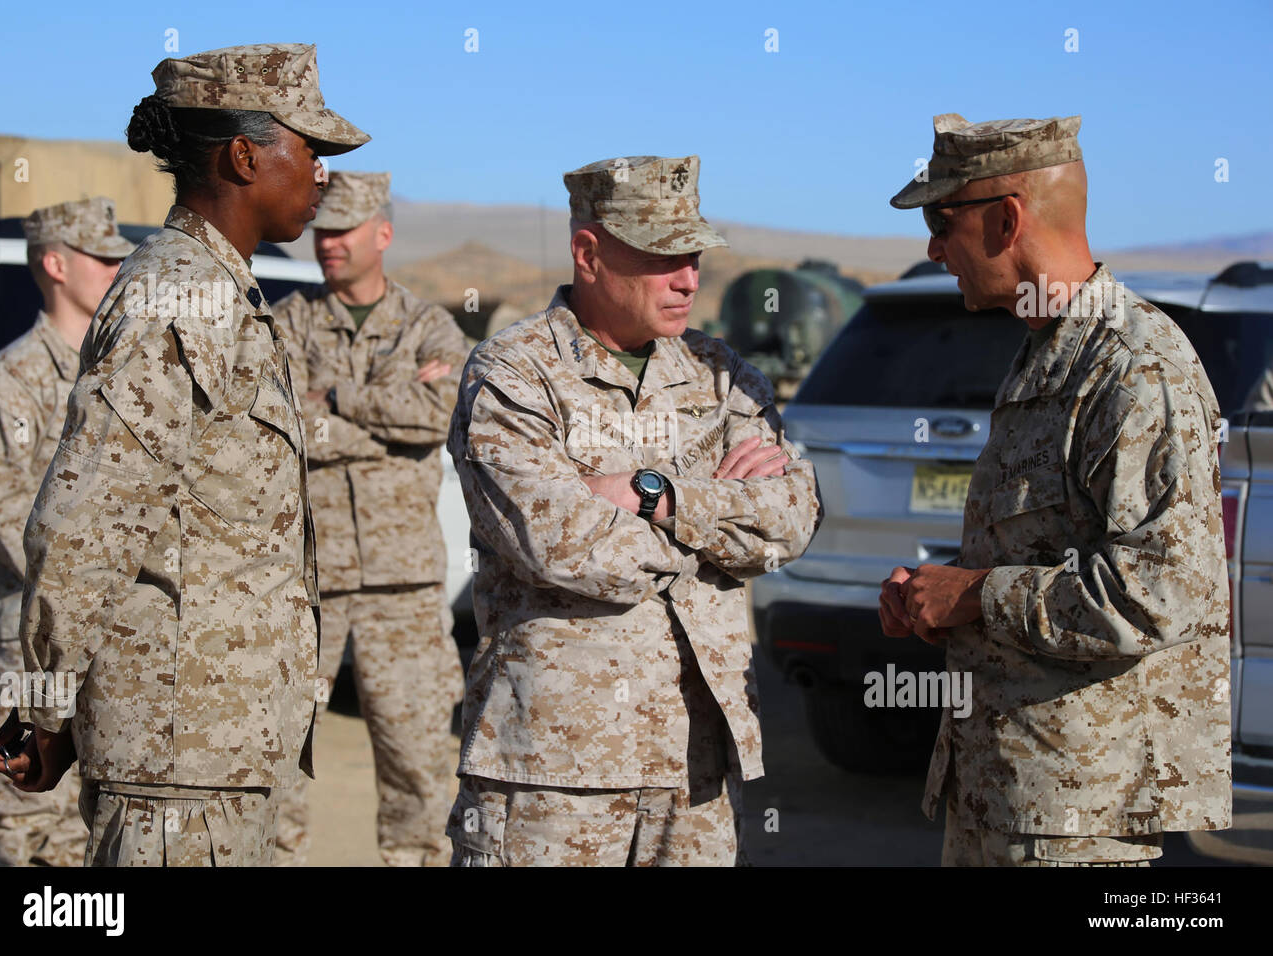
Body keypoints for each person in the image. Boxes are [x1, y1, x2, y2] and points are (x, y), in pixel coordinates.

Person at [0, 42, 368, 866]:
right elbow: (92, 515)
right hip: (176, 757)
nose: (321, 177)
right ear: (241, 154)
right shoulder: (178, 296)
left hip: (215, 748)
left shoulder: (220, 290)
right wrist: (48, 705)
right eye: (309, 151)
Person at [445, 154, 822, 866]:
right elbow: (567, 547)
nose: (688, 278)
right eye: (661, 257)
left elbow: (791, 520)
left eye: (694, 256)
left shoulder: (721, 375)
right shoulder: (512, 375)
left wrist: (656, 494)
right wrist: (719, 519)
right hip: (554, 774)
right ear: (588, 253)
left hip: (696, 766)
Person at [879, 114, 1231, 866]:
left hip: (1076, 814)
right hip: (1009, 790)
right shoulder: (1046, 352)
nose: (934, 248)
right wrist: (937, 591)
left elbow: (1158, 592)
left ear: (1007, 218)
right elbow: (1043, 545)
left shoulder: (1134, 368)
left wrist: (974, 596)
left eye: (944, 219)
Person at [271, 171, 466, 867]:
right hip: (304, 579)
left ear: (381, 234)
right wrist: (386, 415)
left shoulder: (426, 325)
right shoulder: (288, 322)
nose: (328, 244)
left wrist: (340, 398)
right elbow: (280, 425)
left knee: (415, 763)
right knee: (280, 758)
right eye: (322, 230)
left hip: (403, 584)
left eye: (344, 230)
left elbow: (444, 414)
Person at [0, 197, 134, 866]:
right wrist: (84, 580)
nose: (115, 267)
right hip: (34, 637)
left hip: (114, 631)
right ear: (55, 262)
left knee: (90, 823)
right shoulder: (9, 381)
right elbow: (3, 515)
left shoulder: (118, 374)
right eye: (101, 257)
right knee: (21, 818)